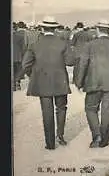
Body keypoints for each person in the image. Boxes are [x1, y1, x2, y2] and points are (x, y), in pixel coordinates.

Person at [21, 16, 75, 150]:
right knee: (61, 108)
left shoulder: (34, 44)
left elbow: (25, 64)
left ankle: (50, 143)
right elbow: (70, 61)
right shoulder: (63, 43)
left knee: (47, 111)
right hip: (60, 81)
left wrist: (33, 75)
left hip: (42, 81)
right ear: (55, 28)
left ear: (42, 28)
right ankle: (60, 136)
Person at [74, 19, 109, 148]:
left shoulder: (89, 45)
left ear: (97, 30)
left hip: (92, 82)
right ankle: (104, 140)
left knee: (91, 109)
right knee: (107, 111)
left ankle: (96, 134)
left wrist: (79, 82)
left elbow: (83, 64)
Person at [13, 21, 27, 90]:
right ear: (16, 28)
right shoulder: (20, 37)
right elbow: (23, 48)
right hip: (18, 56)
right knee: (18, 70)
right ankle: (17, 83)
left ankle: (12, 84)